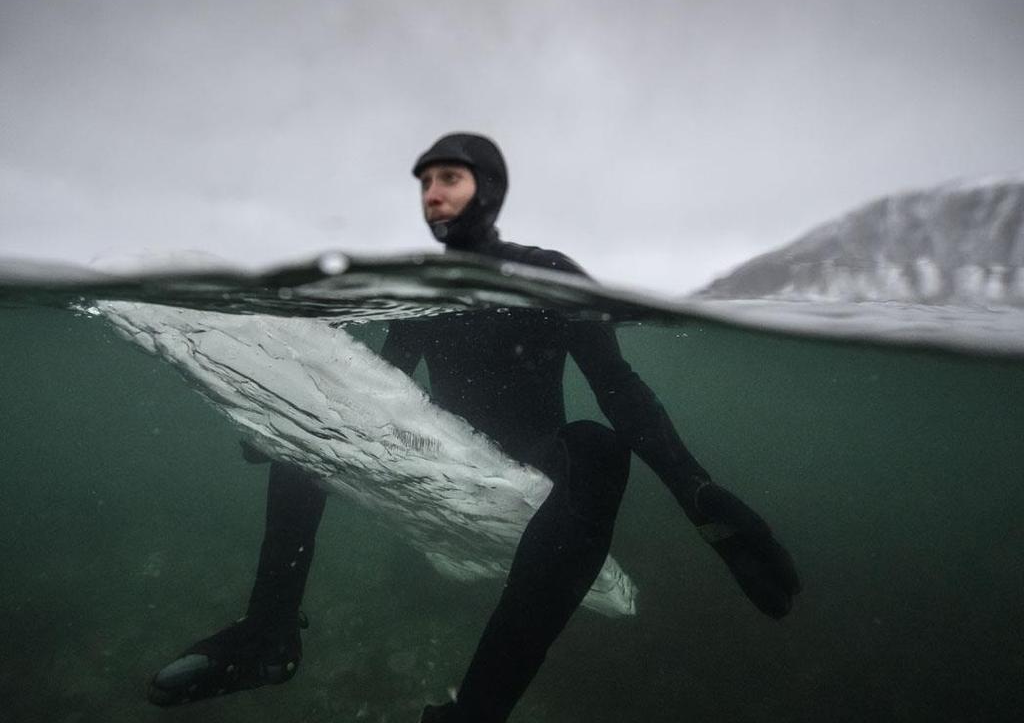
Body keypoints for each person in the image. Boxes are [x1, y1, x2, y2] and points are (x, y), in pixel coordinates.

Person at [148, 133, 800, 722]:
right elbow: (378, 383)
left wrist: (697, 495)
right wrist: (285, 418)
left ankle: (478, 714)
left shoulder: (548, 272)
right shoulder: (420, 286)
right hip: (439, 451)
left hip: (533, 462)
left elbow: (618, 389)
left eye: (448, 179)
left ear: (489, 188)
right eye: (425, 183)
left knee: (600, 448)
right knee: (324, 418)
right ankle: (269, 635)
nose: (431, 195)